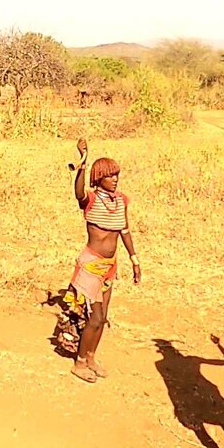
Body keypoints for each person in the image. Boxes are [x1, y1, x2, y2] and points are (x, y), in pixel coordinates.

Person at [62, 138, 141, 383]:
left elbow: (125, 231)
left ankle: (92, 356)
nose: (115, 179)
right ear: (98, 178)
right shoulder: (92, 200)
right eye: (110, 175)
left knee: (103, 317)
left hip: (110, 266)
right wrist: (83, 163)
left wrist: (134, 260)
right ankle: (80, 362)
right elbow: (78, 193)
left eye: (117, 174)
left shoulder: (121, 201)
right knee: (94, 317)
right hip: (91, 265)